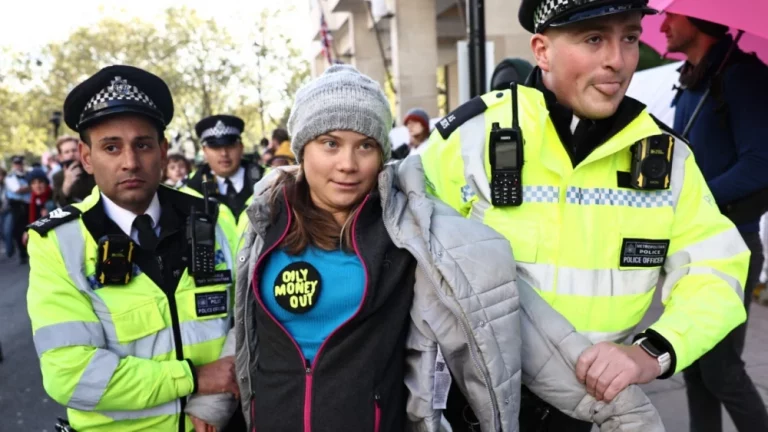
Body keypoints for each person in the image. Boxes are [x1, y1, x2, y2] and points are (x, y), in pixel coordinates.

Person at [218, 64, 665, 432]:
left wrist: (626, 414)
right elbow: (245, 330)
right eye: (329, 143)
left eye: (366, 146)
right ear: (302, 149)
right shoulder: (263, 223)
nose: (348, 164)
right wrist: (209, 407)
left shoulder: (417, 234)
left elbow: (515, 323)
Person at [420, 0, 750, 430]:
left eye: (629, 38)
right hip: (475, 409)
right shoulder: (469, 139)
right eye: (594, 39)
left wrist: (652, 352)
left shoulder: (668, 160)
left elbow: (717, 269)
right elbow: (401, 253)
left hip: (592, 410)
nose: (617, 60)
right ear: (541, 50)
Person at [26, 65, 243, 432]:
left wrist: (216, 400)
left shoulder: (213, 217)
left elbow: (251, 317)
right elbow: (71, 374)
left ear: (162, 150)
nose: (130, 161)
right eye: (111, 147)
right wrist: (191, 379)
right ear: (86, 157)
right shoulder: (57, 242)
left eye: (142, 144)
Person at [661, 12, 768, 432]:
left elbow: (761, 164)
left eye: (672, 15)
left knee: (722, 369)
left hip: (730, 245)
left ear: (700, 19)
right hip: (688, 246)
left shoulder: (740, 77)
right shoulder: (692, 80)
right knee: (692, 364)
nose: (664, 23)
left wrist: (698, 199)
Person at [183, 115, 265, 257]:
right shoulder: (188, 192)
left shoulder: (270, 182)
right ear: (204, 150)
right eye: (215, 147)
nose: (224, 153)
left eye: (230, 145)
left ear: (241, 147)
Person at [52, 135, 97, 207]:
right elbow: (58, 204)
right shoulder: (57, 177)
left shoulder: (93, 169)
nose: (71, 154)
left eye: (74, 150)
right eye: (66, 152)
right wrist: (66, 185)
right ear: (61, 157)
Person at [5, 155, 30, 264]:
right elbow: (17, 190)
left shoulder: (27, 174)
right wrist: (30, 187)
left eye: (20, 163)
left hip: (28, 204)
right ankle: (22, 253)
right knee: (18, 230)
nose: (18, 166)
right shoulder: (10, 176)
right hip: (17, 206)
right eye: (16, 164)